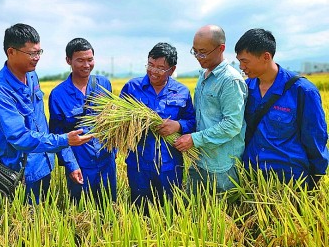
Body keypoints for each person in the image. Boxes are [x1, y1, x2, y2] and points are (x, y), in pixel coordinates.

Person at [0, 23, 92, 204]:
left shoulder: (31, 75)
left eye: (39, 52)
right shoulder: (0, 91)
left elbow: (40, 120)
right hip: (20, 174)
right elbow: (19, 137)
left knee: (42, 221)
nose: (37, 58)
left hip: (43, 165)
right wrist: (64, 140)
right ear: (11, 52)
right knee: (26, 225)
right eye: (32, 53)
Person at [235, 28, 329, 188]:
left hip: (290, 180)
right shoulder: (245, 88)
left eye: (245, 61)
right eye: (239, 61)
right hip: (253, 177)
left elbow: (315, 137)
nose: (241, 66)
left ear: (266, 56)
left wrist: (316, 178)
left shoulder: (302, 91)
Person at [120, 42, 196, 212]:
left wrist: (178, 125)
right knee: (140, 211)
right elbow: (118, 122)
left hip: (170, 165)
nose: (153, 71)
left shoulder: (181, 91)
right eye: (150, 65)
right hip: (139, 163)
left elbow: (192, 121)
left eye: (160, 68)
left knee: (170, 210)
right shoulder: (132, 88)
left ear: (172, 69)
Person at [174, 25, 247, 194]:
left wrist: (194, 139)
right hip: (199, 159)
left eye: (203, 52)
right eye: (195, 51)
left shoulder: (230, 81)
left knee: (219, 218)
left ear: (221, 48)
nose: (198, 57)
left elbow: (232, 124)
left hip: (221, 166)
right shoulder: (204, 75)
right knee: (196, 214)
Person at [49, 38, 117, 204]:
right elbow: (58, 135)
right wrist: (71, 165)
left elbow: (112, 120)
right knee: (81, 209)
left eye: (90, 59)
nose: (86, 65)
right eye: (80, 60)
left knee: (108, 208)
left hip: (106, 160)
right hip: (80, 163)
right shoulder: (58, 95)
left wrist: (113, 152)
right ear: (68, 61)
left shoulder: (103, 84)